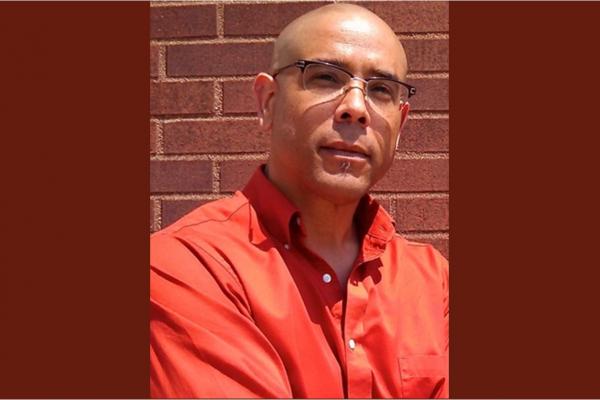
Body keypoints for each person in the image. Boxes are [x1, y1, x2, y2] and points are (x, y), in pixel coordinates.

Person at [150, 3, 448, 398]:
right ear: (268, 102)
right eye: (325, 77)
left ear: (400, 124)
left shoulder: (432, 279)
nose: (357, 108)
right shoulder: (187, 264)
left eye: (380, 89)